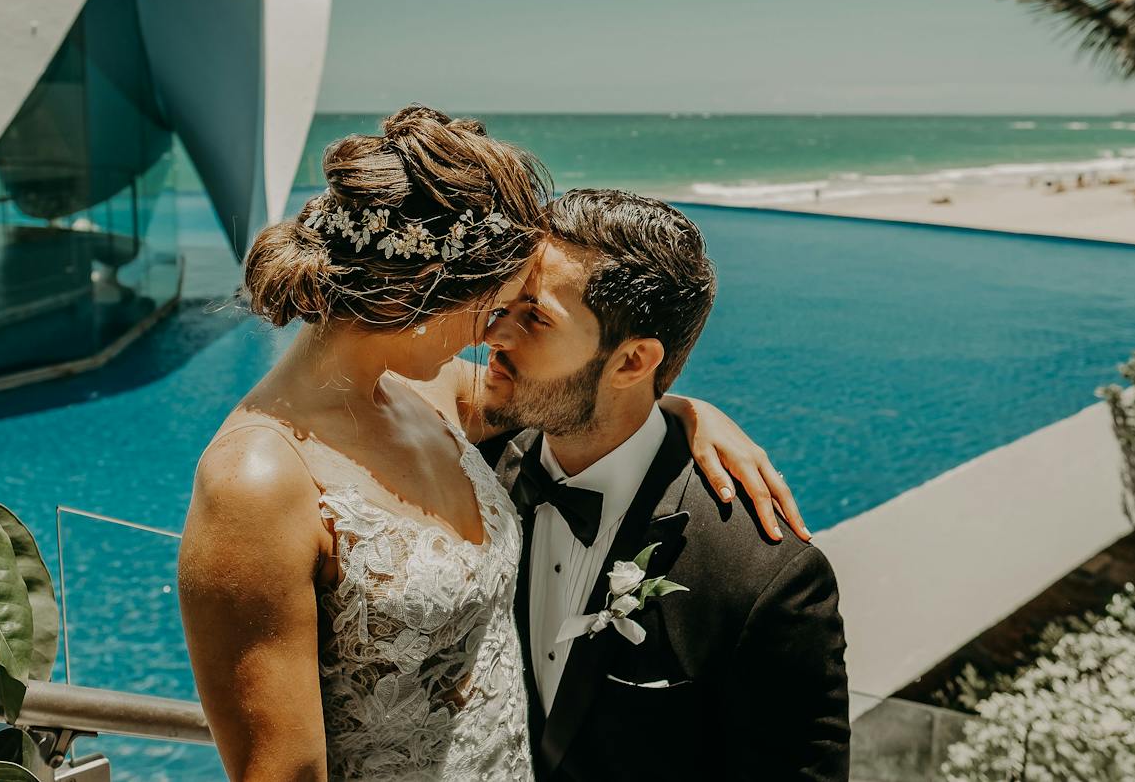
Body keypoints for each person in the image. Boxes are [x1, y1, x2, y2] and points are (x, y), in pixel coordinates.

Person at [178, 107, 804, 782]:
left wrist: (684, 407)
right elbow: (283, 773)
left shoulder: (432, 389)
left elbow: (583, 394)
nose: (491, 337)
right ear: (425, 294)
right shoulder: (257, 479)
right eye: (493, 307)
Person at [485, 188, 850, 781]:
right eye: (502, 306)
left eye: (535, 317)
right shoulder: (464, 467)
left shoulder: (762, 577)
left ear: (633, 361)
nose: (495, 334)